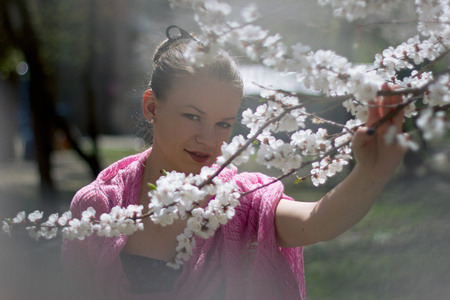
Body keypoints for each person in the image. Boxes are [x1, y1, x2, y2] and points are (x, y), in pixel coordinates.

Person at [61, 26, 405, 300]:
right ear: (152, 107)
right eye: (193, 116)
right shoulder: (99, 207)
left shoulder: (237, 203)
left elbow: (315, 222)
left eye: (224, 123)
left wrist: (371, 174)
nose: (209, 139)